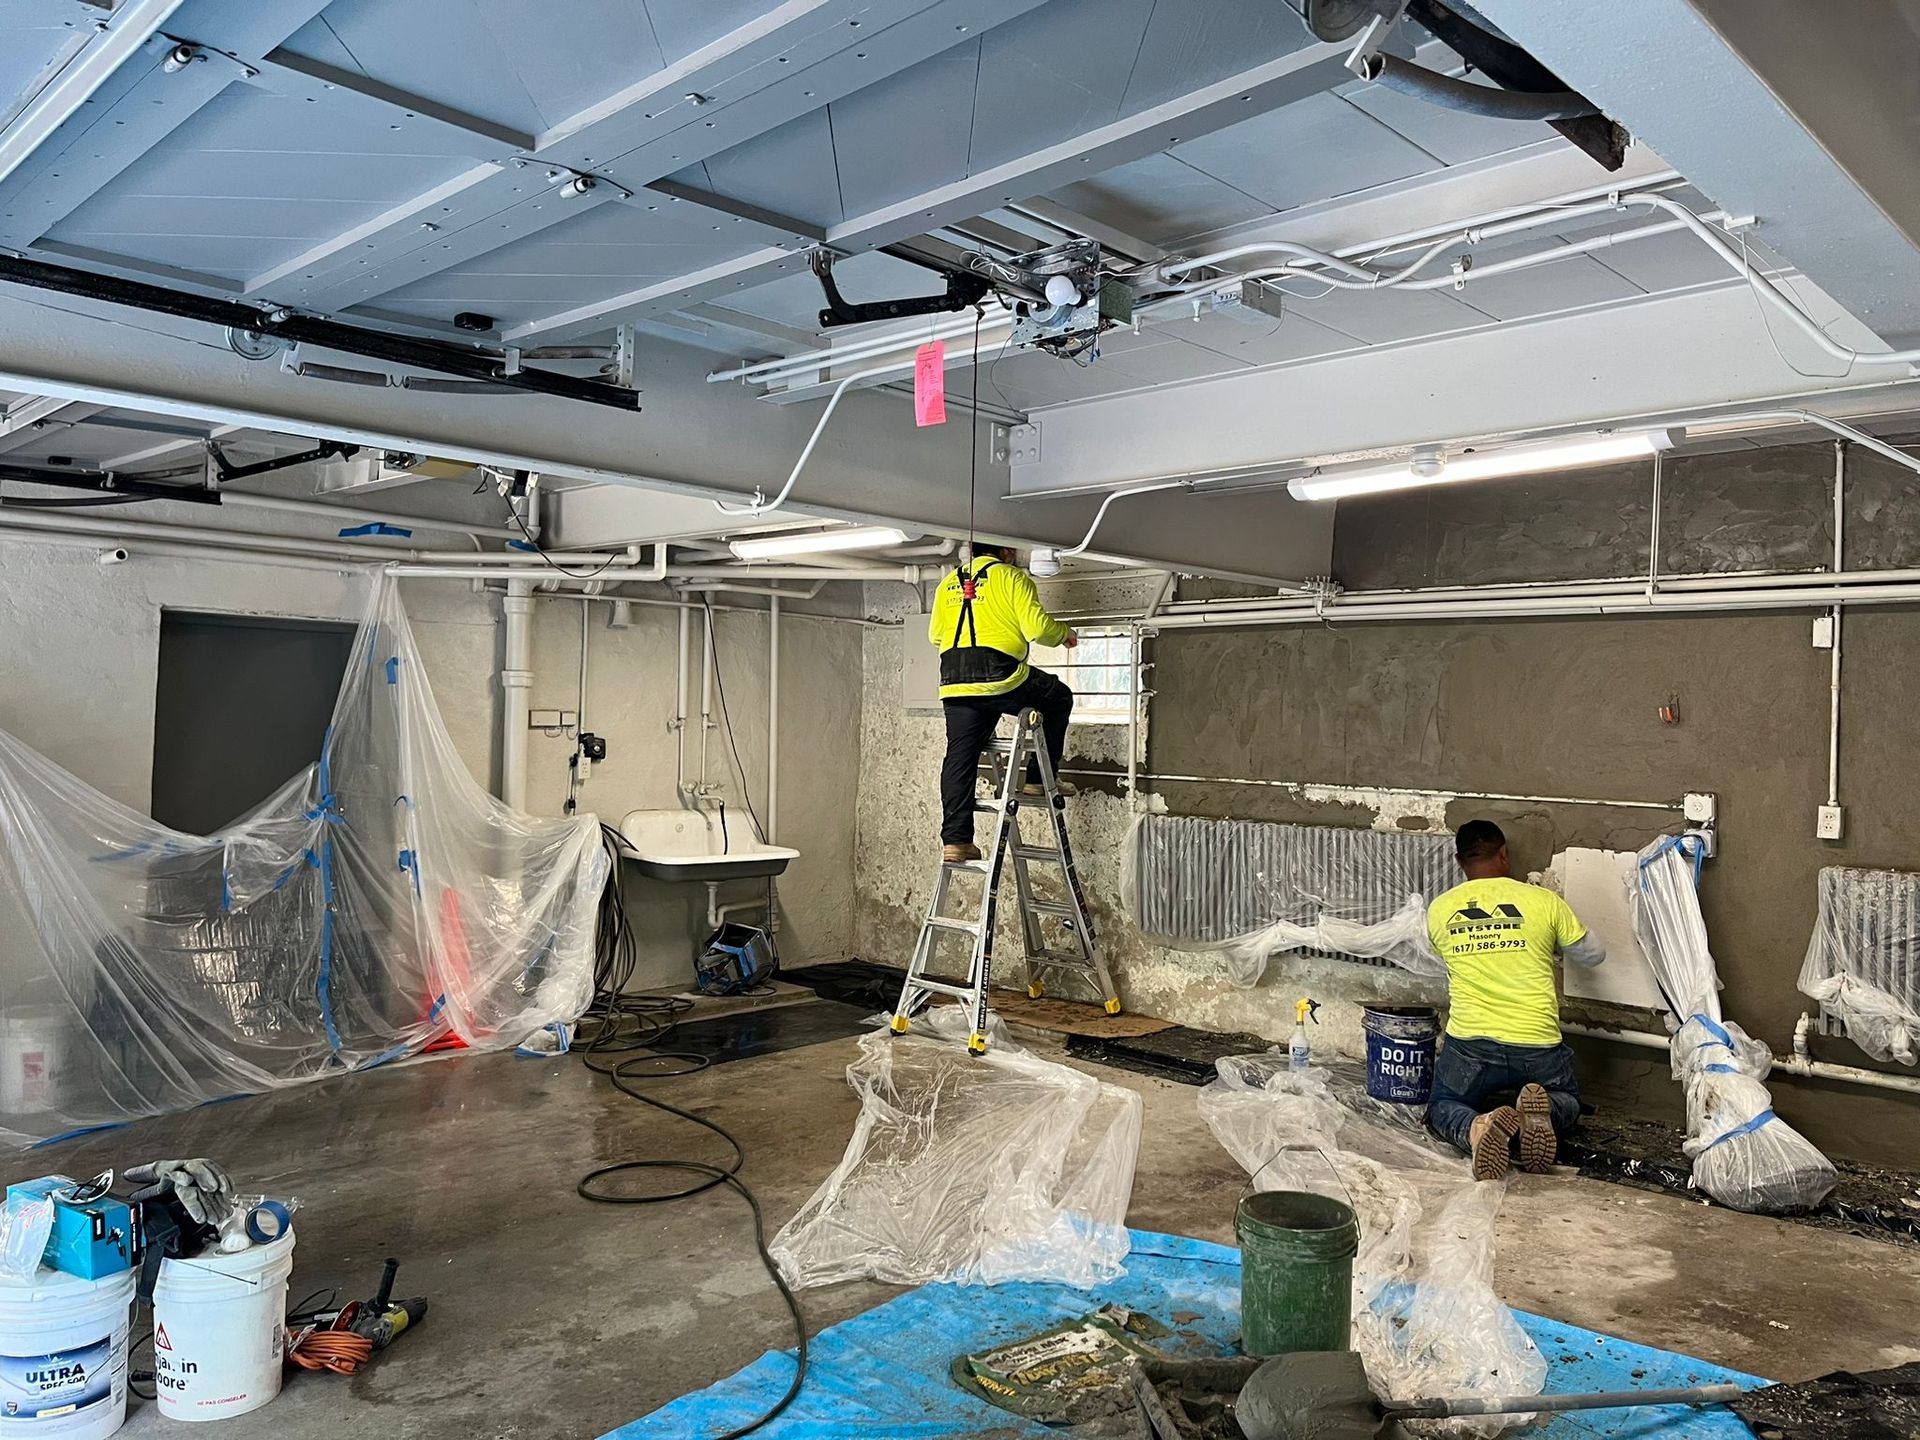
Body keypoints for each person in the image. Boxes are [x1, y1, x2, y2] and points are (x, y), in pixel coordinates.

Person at [1426, 819, 1607, 1180]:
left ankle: (1476, 1128)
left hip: (1470, 1047)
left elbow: (1442, 958)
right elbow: (1593, 955)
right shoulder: (1543, 902)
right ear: (1504, 854)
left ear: (1460, 862)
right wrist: (1543, 944)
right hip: (1536, 1046)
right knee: (1568, 1102)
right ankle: (1536, 1114)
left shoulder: (1439, 910)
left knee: (1442, 1106)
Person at [930, 545, 1076, 863]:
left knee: (959, 757)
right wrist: (1064, 634)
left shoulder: (948, 583)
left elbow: (936, 637)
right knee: (1059, 697)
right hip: (999, 674)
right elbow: (1038, 629)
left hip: (954, 680)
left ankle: (956, 841)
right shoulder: (1011, 577)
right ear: (1006, 552)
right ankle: (1039, 780)